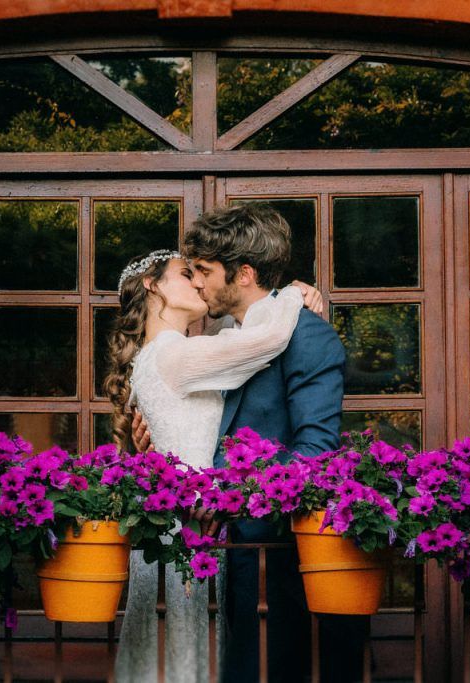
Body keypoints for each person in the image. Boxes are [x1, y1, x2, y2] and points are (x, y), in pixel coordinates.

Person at [132, 203, 367, 683]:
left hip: (276, 552)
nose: (196, 283)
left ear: (242, 273)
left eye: (203, 271)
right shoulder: (226, 336)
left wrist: (235, 500)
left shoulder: (308, 336)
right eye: (190, 272)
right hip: (225, 553)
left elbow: (316, 448)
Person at [104, 242, 322, 683]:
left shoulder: (178, 353)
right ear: (152, 286)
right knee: (185, 659)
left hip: (195, 525)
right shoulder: (171, 355)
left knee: (193, 655)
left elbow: (243, 331)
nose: (199, 281)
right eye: (187, 273)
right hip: (185, 532)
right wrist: (294, 296)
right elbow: (268, 339)